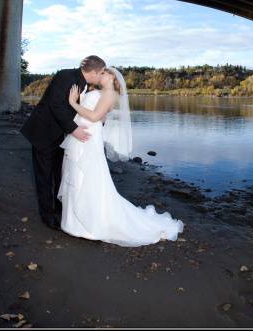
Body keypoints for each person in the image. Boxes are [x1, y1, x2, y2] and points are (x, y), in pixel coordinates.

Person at [58, 67, 184, 247]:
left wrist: (73, 102)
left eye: (104, 72)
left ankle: (88, 225)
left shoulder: (109, 94)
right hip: (81, 135)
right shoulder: (98, 91)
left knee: (88, 176)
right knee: (76, 175)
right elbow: (100, 119)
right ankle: (73, 222)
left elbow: (95, 117)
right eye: (100, 72)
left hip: (87, 137)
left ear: (111, 77)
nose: (100, 74)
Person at [20, 56, 106, 230]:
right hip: (44, 132)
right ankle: (47, 216)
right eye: (102, 72)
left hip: (62, 137)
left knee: (61, 174)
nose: (103, 75)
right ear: (94, 71)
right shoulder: (65, 76)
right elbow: (55, 105)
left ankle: (61, 208)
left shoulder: (86, 85)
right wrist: (74, 129)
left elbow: (81, 111)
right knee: (44, 176)